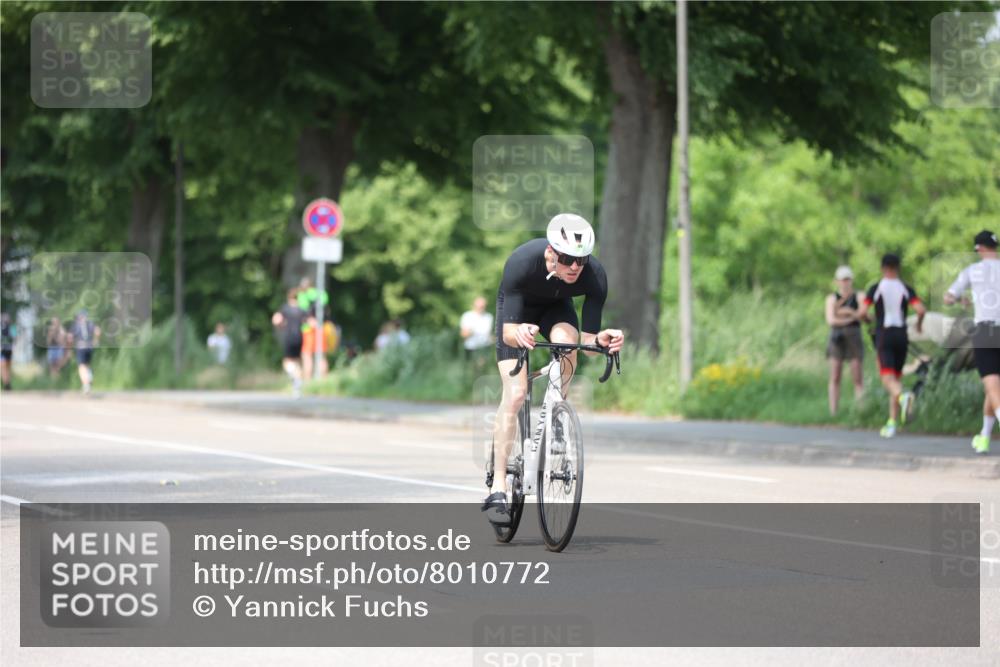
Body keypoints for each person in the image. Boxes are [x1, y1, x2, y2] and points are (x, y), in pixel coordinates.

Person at [482, 213, 624, 524]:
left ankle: (557, 410)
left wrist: (602, 339)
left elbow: (588, 338)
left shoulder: (594, 276)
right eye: (567, 259)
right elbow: (508, 332)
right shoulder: (522, 263)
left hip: (556, 311)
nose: (575, 266)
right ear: (550, 252)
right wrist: (518, 332)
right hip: (517, 316)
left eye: (581, 259)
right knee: (516, 393)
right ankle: (499, 485)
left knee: (568, 341)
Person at [856, 253, 925, 438]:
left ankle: (904, 398)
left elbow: (862, 311)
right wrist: (918, 325)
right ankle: (892, 423)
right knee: (895, 379)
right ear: (898, 267)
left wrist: (867, 319)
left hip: (884, 334)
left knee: (887, 380)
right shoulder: (906, 288)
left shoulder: (876, 288)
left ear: (882, 268)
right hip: (902, 335)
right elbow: (920, 310)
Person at [944, 230, 1000, 454]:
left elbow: (948, 298)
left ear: (978, 248)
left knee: (992, 385)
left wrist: (960, 298)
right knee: (994, 387)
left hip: (985, 330)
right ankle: (984, 436)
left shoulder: (972, 271)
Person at [825, 266, 865, 414]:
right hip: (837, 338)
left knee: (857, 376)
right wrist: (851, 317)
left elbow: (862, 315)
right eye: (842, 280)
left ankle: (861, 410)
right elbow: (831, 320)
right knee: (835, 375)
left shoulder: (859, 296)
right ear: (837, 281)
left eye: (847, 279)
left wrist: (846, 312)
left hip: (854, 337)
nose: (845, 282)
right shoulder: (832, 298)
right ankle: (833, 411)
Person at [271, 289, 307, 397]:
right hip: (300, 337)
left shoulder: (285, 309)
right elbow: (308, 322)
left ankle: (293, 377)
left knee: (287, 361)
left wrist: (281, 326)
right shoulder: (301, 310)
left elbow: (276, 320)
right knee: (297, 361)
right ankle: (297, 385)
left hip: (289, 337)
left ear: (289, 297)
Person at [301, 306, 339, 380]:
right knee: (322, 359)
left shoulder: (310, 319)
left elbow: (305, 328)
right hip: (321, 339)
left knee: (307, 359)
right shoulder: (325, 320)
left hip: (310, 340)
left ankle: (307, 380)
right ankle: (323, 380)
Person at [69, 309, 100, 394]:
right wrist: (95, 340)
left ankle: (86, 384)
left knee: (81, 366)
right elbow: (97, 331)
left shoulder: (76, 325)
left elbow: (70, 337)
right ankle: (89, 378)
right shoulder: (90, 324)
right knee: (87, 365)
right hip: (90, 347)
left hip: (81, 347)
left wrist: (70, 348)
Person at [460, 296, 494, 365]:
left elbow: (489, 334)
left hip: (485, 347)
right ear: (474, 305)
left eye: (483, 306)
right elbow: (463, 334)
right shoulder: (467, 316)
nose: (480, 308)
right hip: (471, 348)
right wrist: (471, 331)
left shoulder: (489, 317)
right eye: (479, 306)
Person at [1, 313, 15, 390]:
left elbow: (15, 338)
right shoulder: (11, 327)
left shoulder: (12, 328)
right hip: (3, 349)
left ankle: (7, 383)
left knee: (6, 367)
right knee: (3, 367)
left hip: (8, 349)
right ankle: (6, 383)